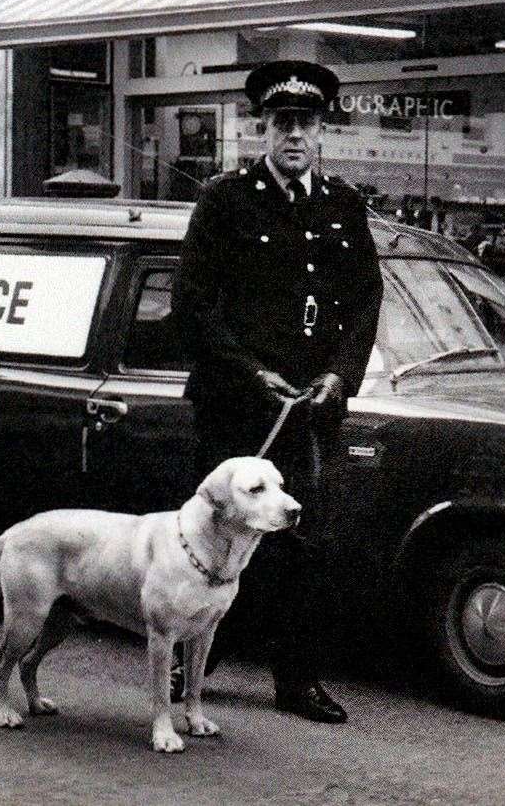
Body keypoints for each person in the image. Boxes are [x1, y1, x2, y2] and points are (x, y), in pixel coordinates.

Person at [170, 59, 383, 724]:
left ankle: (298, 681)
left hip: (309, 412)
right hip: (239, 408)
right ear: (263, 128)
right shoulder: (226, 200)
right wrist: (248, 372)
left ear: (321, 131)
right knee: (214, 540)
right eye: (283, 123)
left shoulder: (344, 204)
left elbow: (365, 301)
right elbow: (193, 305)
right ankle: (193, 661)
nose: (295, 135)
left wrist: (338, 376)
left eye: (306, 124)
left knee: (304, 545)